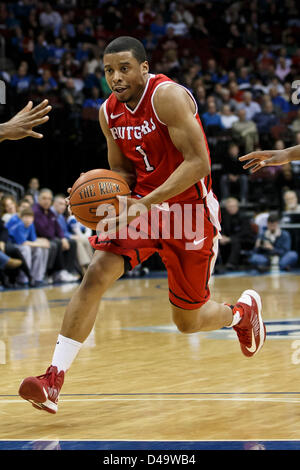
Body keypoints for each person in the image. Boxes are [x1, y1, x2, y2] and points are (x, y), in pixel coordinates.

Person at [19, 36, 266, 414]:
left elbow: (199, 163)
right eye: (108, 71)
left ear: (144, 68)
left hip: (188, 212)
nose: (115, 77)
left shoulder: (166, 97)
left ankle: (241, 314)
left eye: (123, 68)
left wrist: (143, 204)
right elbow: (121, 172)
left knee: (187, 320)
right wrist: (93, 195)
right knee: (96, 273)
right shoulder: (108, 112)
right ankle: (53, 379)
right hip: (142, 208)